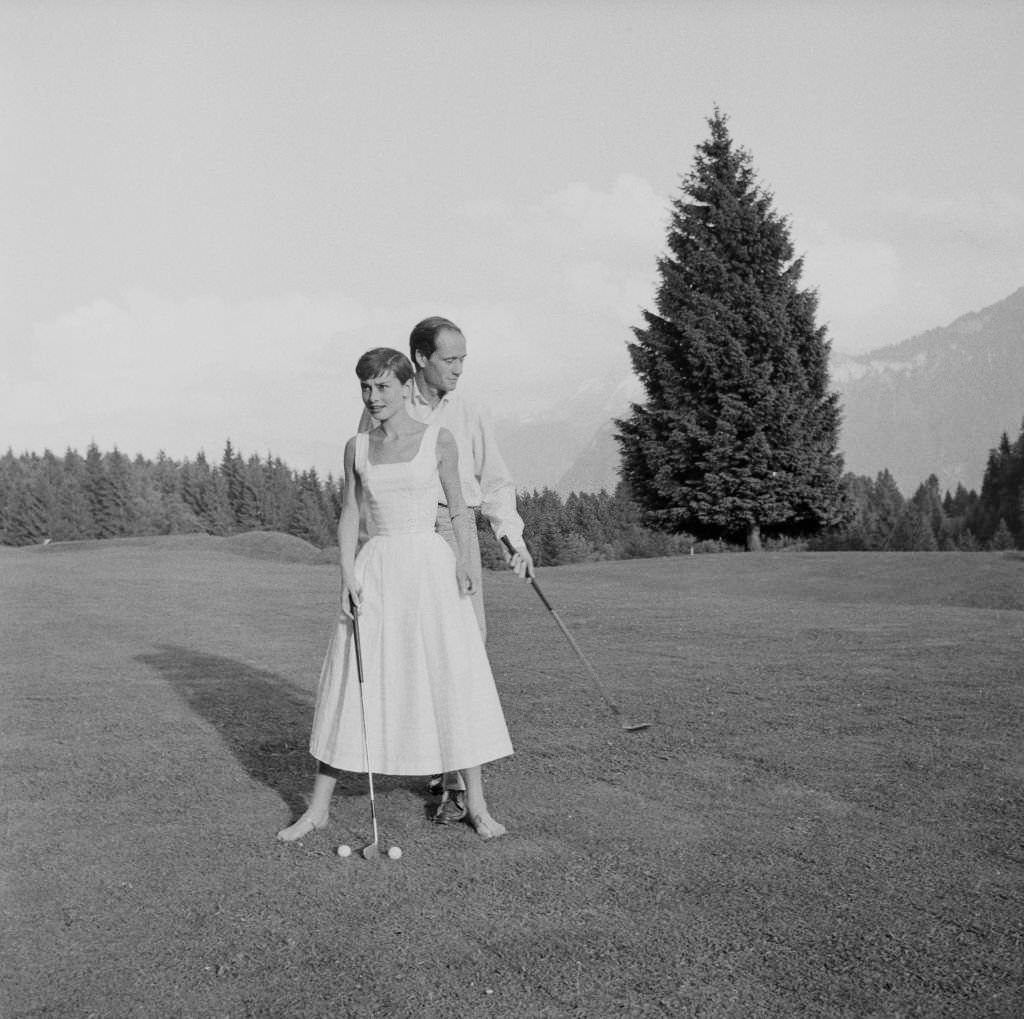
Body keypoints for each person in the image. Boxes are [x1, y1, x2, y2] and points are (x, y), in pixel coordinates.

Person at [277, 347, 511, 843]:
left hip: (430, 568)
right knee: (351, 680)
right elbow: (350, 514)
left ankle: (477, 805)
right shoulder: (356, 448)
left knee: (450, 675)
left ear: (406, 387)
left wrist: (468, 562)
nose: (372, 396)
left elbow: (462, 513)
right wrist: (346, 576)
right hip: (376, 569)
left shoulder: (439, 440)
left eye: (382, 386)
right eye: (365, 387)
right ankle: (317, 809)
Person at [359, 317, 534, 822]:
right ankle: (436, 767)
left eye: (463, 360)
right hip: (400, 535)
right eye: (449, 360)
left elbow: (494, 480)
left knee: (463, 649)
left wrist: (511, 538)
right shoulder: (387, 398)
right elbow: (365, 476)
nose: (459, 370)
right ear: (420, 358)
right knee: (408, 653)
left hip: (456, 528)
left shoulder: (472, 409)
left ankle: (457, 782)